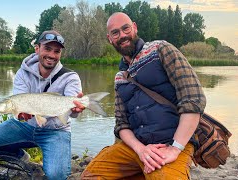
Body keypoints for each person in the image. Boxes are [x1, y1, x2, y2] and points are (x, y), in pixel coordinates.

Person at [81, 12, 206, 179]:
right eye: (115, 32)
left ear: (134, 27)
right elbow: (121, 125)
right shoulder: (120, 77)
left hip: (171, 143)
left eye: (126, 29)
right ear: (109, 39)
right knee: (89, 176)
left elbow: (193, 99)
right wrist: (141, 150)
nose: (122, 35)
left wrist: (175, 148)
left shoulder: (161, 49)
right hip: (136, 147)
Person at [0, 30, 85, 179]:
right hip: (24, 127)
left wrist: (77, 109)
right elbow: (21, 113)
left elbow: (73, 113)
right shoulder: (23, 72)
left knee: (56, 175)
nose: (52, 55)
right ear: (37, 48)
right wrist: (21, 116)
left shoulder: (71, 77)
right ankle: (19, 156)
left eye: (57, 51)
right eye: (47, 49)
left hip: (56, 131)